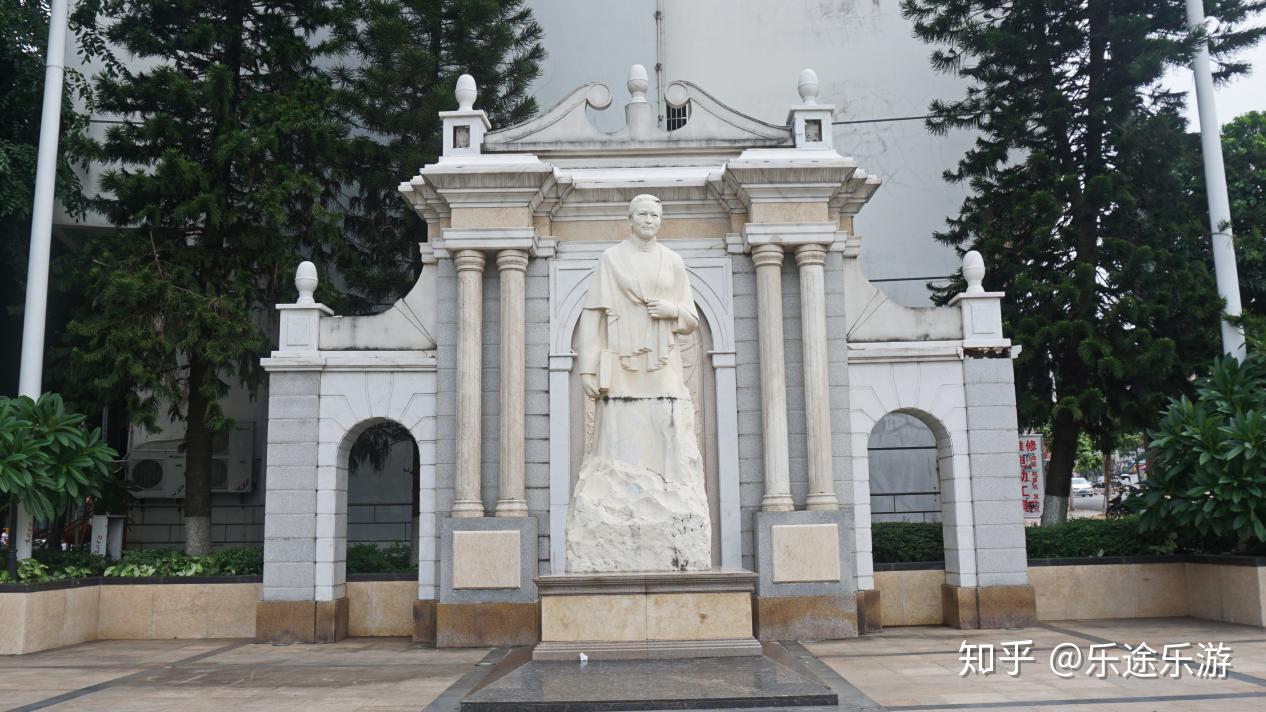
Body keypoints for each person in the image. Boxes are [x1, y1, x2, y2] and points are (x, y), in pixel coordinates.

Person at [566, 194, 712, 573]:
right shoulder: (611, 259)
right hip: (621, 361)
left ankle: (669, 490)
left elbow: (690, 319)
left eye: (655, 215)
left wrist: (671, 310)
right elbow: (593, 316)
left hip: (662, 361)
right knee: (617, 430)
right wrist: (587, 368)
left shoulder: (673, 261)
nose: (649, 220)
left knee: (666, 422)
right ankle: (616, 498)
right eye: (643, 214)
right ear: (630, 219)